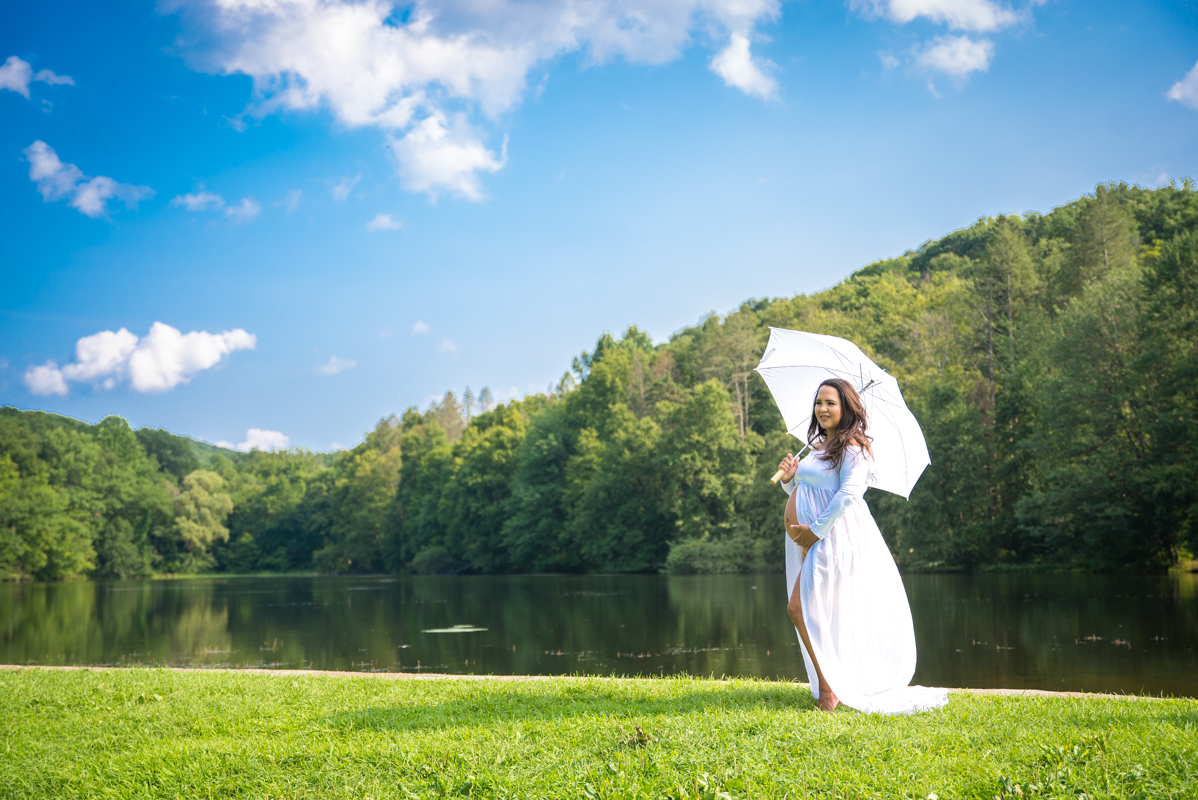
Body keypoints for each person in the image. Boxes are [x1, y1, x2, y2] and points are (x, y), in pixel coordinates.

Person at [775, 378, 948, 714]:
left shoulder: (853, 448)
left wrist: (817, 531)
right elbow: (804, 491)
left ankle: (829, 691)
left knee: (799, 608)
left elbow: (848, 495)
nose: (822, 409)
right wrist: (788, 478)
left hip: (834, 538)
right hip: (810, 540)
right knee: (817, 611)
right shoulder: (817, 447)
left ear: (846, 408)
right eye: (819, 403)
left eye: (830, 403)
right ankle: (832, 685)